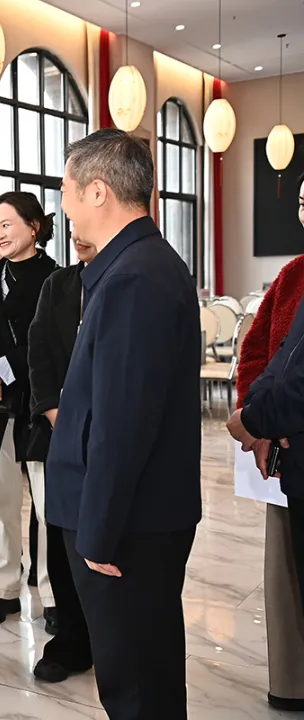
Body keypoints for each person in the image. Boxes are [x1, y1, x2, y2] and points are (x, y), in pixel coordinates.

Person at [46, 128, 201, 719]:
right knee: (147, 675)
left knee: (136, 687)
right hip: (140, 518)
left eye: (66, 189)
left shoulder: (134, 277)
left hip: (129, 528)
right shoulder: (139, 264)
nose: (63, 204)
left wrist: (99, 532)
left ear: (98, 192)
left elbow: (122, 423)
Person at [229, 172, 304, 712]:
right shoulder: (292, 273)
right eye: (302, 201)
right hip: (279, 444)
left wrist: (257, 418)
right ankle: (290, 684)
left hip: (284, 427)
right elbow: (260, 350)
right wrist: (257, 416)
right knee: (286, 576)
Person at [0, 192, 59, 626]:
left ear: (34, 227)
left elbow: (51, 344)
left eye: (7, 224)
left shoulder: (58, 279)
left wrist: (3, 368)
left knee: (46, 507)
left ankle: (52, 593)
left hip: (39, 405)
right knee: (1, 501)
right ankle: (4, 588)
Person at [27, 231, 98, 683]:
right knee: (62, 539)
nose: (77, 234)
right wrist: (55, 413)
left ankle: (107, 638)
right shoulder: (58, 284)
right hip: (61, 434)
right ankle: (71, 641)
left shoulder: (128, 280)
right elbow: (38, 352)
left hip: (114, 435)